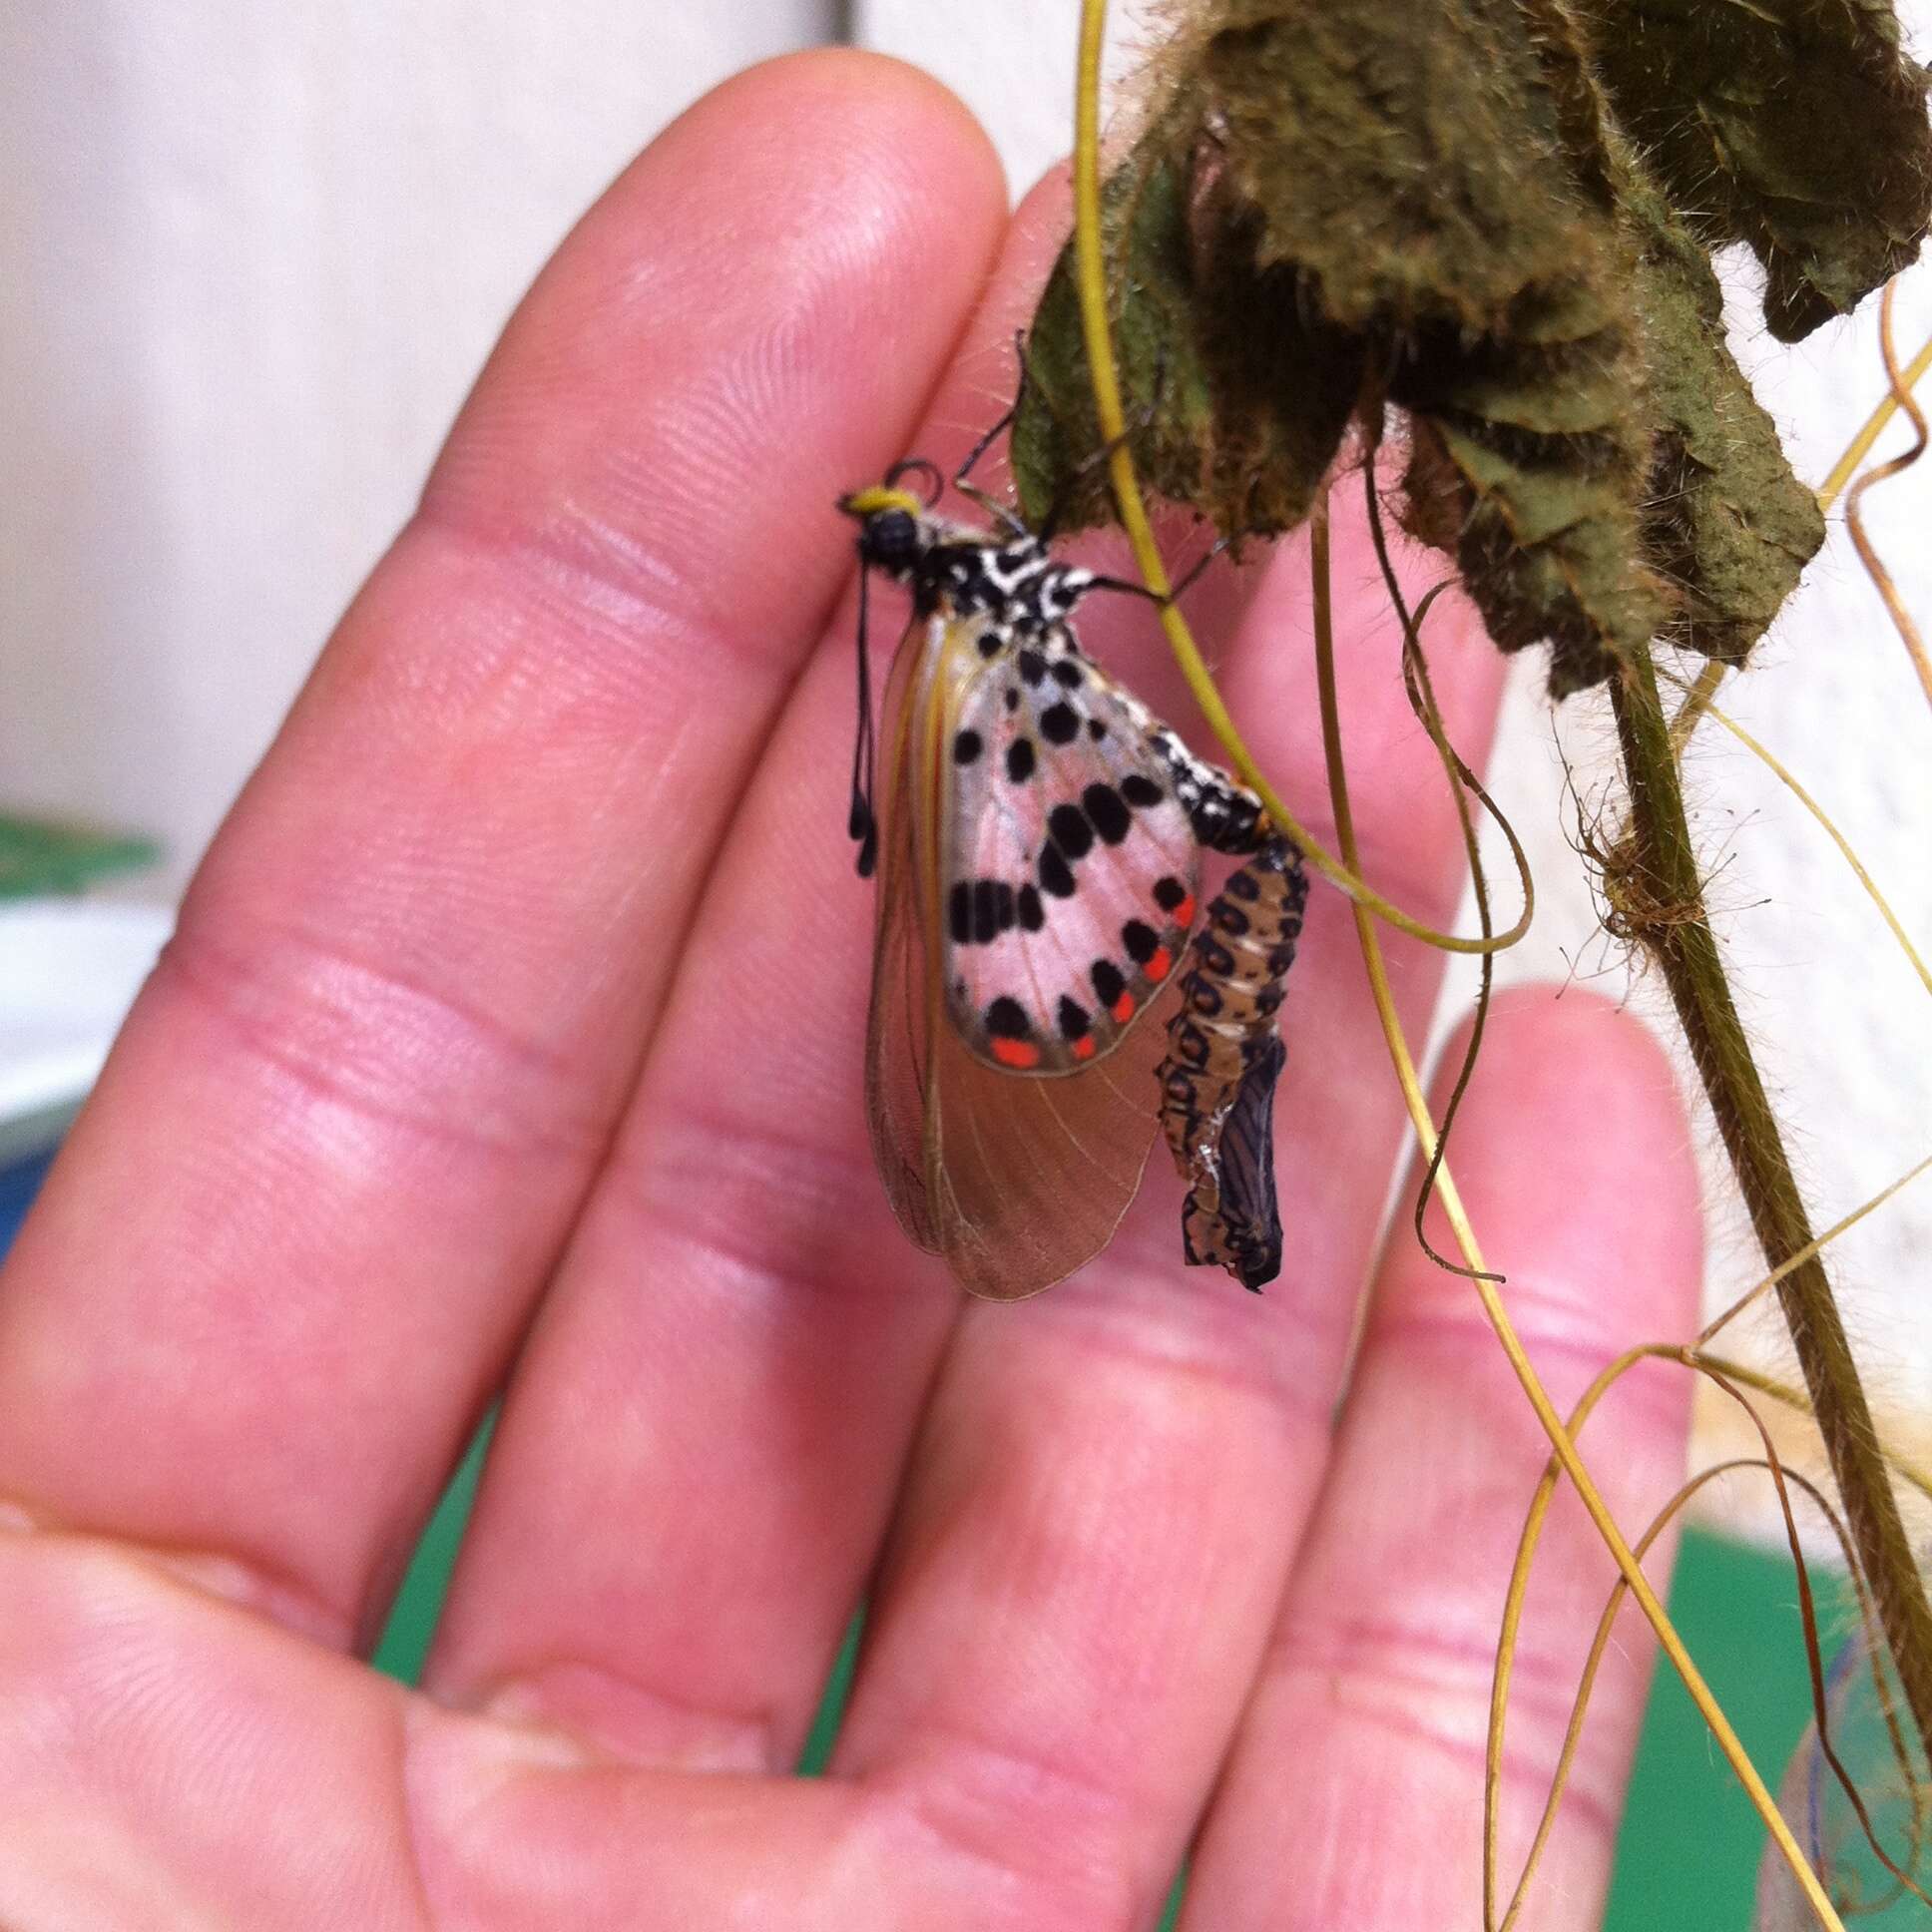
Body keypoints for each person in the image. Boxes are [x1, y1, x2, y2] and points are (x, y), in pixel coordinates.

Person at [0, 51, 1698, 1927]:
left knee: (1231, 883)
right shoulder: (970, 679)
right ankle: (1220, 1145)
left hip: (1082, 890)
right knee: (1225, 882)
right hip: (1073, 900)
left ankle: (1216, 1141)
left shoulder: (970, 644)